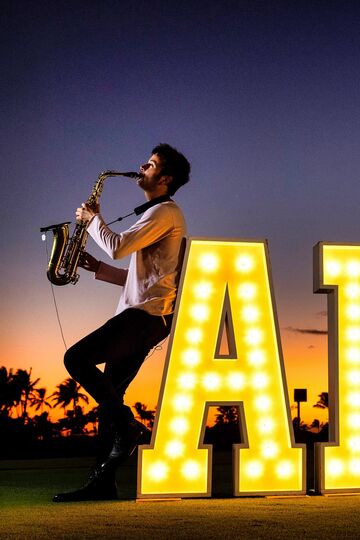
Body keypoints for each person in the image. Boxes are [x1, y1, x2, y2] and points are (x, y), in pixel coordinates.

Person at [53, 143, 190, 502]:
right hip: (143, 316)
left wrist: (91, 219)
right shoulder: (157, 214)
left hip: (143, 317)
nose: (142, 167)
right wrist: (95, 268)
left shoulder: (164, 212)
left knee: (76, 359)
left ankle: (129, 428)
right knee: (110, 398)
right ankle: (103, 481)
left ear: (166, 178)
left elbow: (116, 246)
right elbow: (141, 275)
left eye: (151, 164)